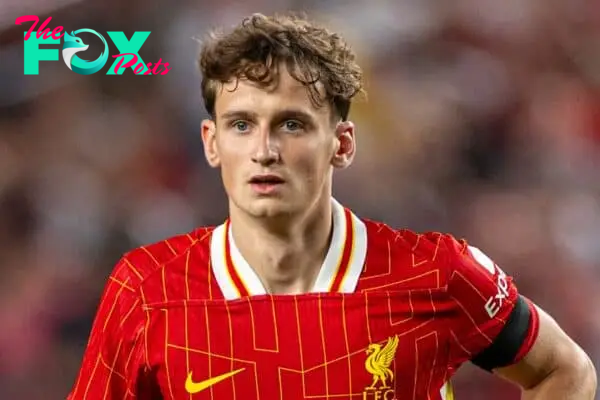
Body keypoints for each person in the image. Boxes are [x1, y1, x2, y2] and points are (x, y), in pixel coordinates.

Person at [67, 12, 596, 400]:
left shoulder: (438, 272)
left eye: (292, 124)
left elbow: (565, 372)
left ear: (341, 143)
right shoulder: (145, 288)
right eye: (241, 124)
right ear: (210, 142)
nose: (265, 149)